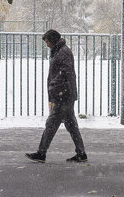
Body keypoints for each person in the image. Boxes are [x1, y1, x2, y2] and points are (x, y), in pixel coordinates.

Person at [26, 29, 87, 163]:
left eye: (47, 41)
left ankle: (41, 153)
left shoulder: (63, 52)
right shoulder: (60, 51)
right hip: (65, 94)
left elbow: (66, 73)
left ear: (53, 40)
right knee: (71, 125)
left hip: (63, 95)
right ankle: (81, 153)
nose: (47, 44)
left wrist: (54, 85)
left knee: (51, 124)